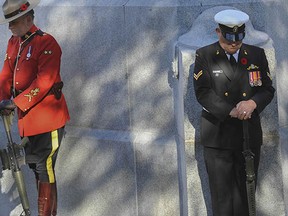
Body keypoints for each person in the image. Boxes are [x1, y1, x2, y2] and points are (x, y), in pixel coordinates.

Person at [193, 9, 275, 216]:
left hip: (247, 135)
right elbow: (203, 93)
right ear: (218, 32)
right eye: (229, 39)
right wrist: (231, 111)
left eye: (238, 40)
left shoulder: (256, 54)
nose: (234, 44)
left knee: (245, 196)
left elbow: (267, 89)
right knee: (222, 198)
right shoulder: (205, 55)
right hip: (218, 137)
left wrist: (252, 104)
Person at [0, 0, 70, 215]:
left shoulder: (46, 43)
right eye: (9, 23)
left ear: (28, 19)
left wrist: (16, 103)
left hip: (47, 118)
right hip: (27, 121)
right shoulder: (14, 43)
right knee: (35, 168)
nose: (10, 27)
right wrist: (2, 100)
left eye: (15, 22)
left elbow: (45, 81)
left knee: (44, 167)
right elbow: (6, 75)